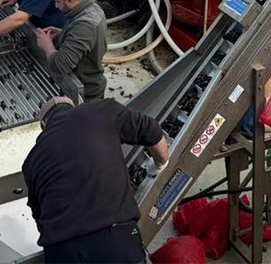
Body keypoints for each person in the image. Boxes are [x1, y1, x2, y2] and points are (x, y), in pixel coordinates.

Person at [24, 97, 169, 263]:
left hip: (63, 252)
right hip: (112, 241)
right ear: (74, 107)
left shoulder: (31, 161)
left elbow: (39, 216)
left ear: (43, 125)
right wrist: (160, 163)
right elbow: (151, 131)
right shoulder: (101, 110)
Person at [33, 0, 108, 103]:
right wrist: (62, 33)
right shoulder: (92, 9)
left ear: (70, 0)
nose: (56, 6)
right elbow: (86, 41)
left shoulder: (84, 26)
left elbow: (60, 66)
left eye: (58, 2)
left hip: (86, 94)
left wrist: (47, 46)